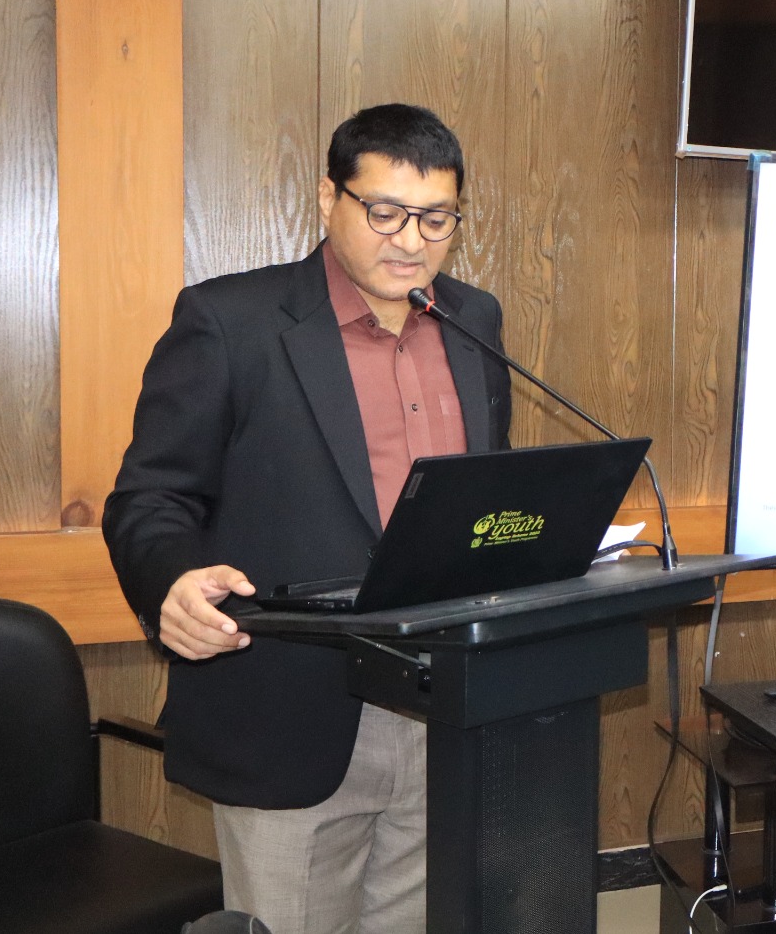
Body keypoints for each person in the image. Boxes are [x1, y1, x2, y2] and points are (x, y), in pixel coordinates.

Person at [103, 104, 511, 934]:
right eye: (385, 212)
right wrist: (171, 581)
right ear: (330, 198)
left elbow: (483, 495)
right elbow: (150, 498)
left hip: (444, 705)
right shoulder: (230, 321)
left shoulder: (474, 320)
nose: (411, 241)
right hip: (290, 709)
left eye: (436, 218)